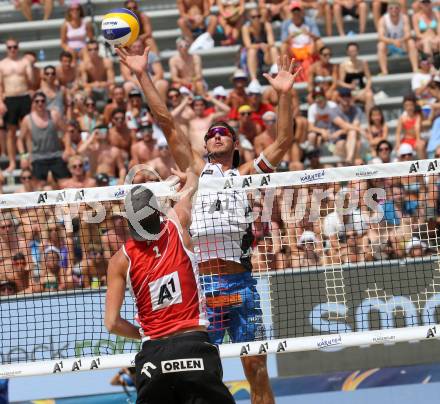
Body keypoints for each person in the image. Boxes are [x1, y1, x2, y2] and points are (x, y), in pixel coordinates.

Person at [116, 44, 300, 404]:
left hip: (241, 282)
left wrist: (284, 96)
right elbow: (167, 121)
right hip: (202, 289)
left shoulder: (247, 175)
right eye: (212, 132)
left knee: (257, 369)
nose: (217, 134)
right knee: (195, 373)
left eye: (224, 132)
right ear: (205, 144)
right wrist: (141, 74)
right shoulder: (196, 175)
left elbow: (284, 139)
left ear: (234, 143)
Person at [105, 178, 235, 404]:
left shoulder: (119, 260)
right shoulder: (176, 224)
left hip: (153, 355)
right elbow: (193, 181)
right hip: (193, 347)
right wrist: (183, 184)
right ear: (156, 213)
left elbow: (112, 323)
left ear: (129, 220)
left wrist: (144, 333)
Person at [18, 92, 70, 188]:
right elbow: (20, 139)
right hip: (38, 157)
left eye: (42, 101)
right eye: (37, 101)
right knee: (40, 188)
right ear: (33, 103)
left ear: (46, 102)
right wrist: (23, 156)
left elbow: (66, 131)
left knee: (65, 184)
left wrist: (67, 149)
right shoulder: (27, 119)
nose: (40, 103)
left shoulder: (54, 115)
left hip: (56, 155)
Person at [0, 38, 33, 172]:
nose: (12, 50)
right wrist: (0, 102)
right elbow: (0, 86)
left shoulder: (24, 62)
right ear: (6, 49)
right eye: (10, 47)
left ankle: (29, 158)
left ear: (18, 47)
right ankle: (12, 162)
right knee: (10, 133)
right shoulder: (2, 65)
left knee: (28, 131)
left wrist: (30, 67)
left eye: (14, 47)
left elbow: (31, 81)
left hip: (24, 96)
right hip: (10, 97)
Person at [377, 2, 418, 75]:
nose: (394, 10)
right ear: (387, 10)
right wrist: (393, 42)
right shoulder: (383, 19)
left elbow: (408, 34)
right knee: (380, 45)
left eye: (396, 8)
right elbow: (380, 36)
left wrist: (400, 41)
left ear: (400, 9)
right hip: (389, 45)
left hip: (402, 44)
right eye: (391, 8)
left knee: (411, 42)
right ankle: (384, 71)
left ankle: (415, 68)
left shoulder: (404, 17)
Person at [241, 8, 278, 83]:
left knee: (273, 49)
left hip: (265, 51)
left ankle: (276, 72)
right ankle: (254, 80)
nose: (256, 18)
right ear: (249, 18)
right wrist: (261, 45)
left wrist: (265, 48)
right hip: (252, 54)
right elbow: (248, 45)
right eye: (253, 17)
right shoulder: (246, 28)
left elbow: (271, 42)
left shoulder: (266, 25)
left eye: (258, 16)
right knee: (251, 51)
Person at [339, 42, 374, 116]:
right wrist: (349, 86)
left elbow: (369, 79)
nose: (353, 53)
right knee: (345, 99)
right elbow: (340, 82)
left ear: (358, 51)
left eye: (354, 51)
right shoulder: (343, 65)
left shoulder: (363, 63)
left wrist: (366, 89)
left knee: (369, 95)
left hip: (361, 90)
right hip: (349, 92)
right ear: (347, 52)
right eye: (351, 51)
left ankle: (369, 121)